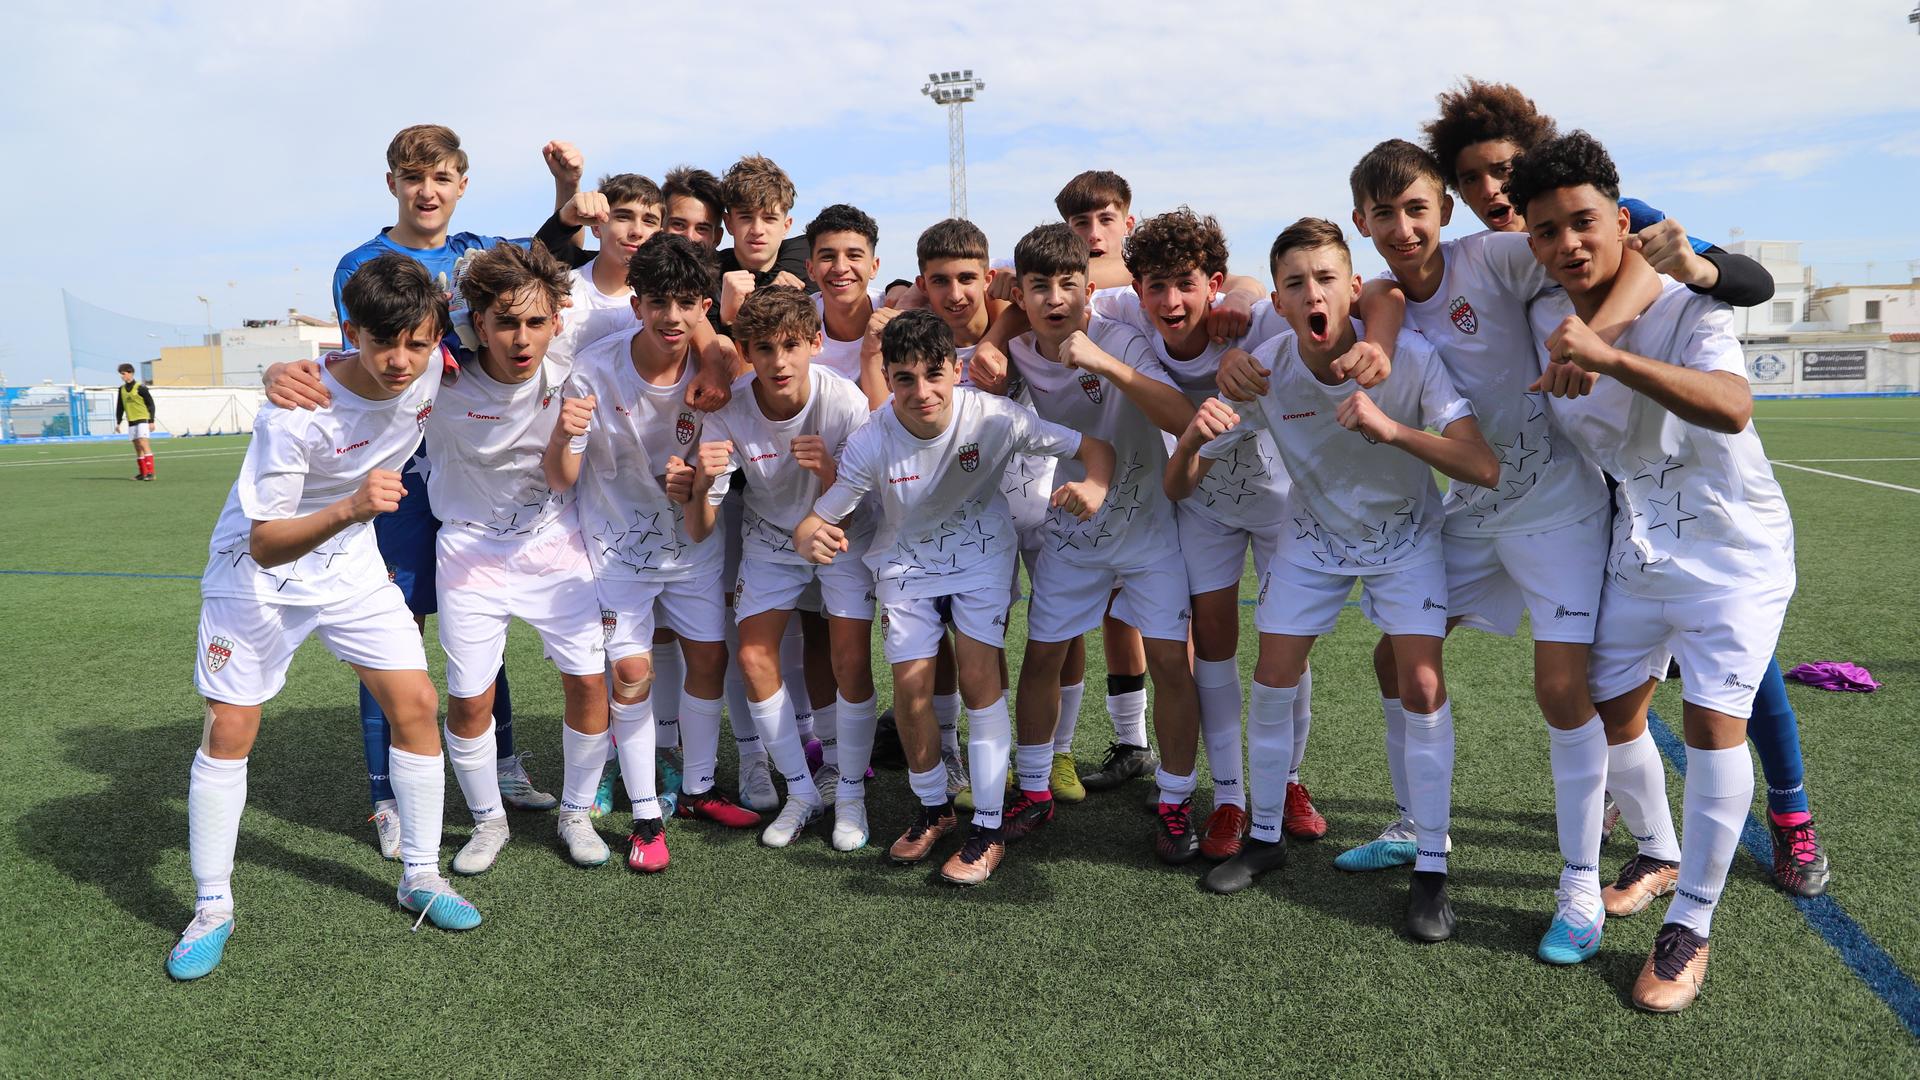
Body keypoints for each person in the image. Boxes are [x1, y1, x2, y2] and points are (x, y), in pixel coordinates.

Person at [1420, 78, 1827, 898]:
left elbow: (1738, 282)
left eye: (1503, 168)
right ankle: (1636, 819)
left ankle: (1791, 816)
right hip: (1597, 491)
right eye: (1470, 178)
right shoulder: (1496, 257)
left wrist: (1606, 332)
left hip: (1690, 476)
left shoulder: (1604, 218)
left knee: (1740, 674)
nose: (1490, 190)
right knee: (1615, 687)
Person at [1513, 131, 1797, 1011]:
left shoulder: (1685, 301)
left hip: (1732, 556)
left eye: (1585, 222)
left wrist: (1612, 358)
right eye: (1548, 230)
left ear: (1619, 216)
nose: (1569, 243)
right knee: (1611, 709)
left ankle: (1692, 928)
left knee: (1715, 726)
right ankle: (1661, 851)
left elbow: (1732, 406)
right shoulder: (1541, 321)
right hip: (1638, 554)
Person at [1168, 219, 1498, 946]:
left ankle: (1433, 866)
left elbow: (1480, 465)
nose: (1311, 293)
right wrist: (1194, 434)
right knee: (1273, 677)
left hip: (1407, 541)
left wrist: (1390, 429)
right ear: (1278, 305)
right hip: (1312, 539)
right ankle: (1263, 837)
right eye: (1294, 283)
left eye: (1325, 279)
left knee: (1421, 685)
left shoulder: (1408, 358)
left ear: (1356, 289)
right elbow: (1180, 481)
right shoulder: (1264, 366)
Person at [166, 254, 480, 981]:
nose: (402, 361)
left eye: (418, 342)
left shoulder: (433, 360)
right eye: (384, 343)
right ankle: (212, 906)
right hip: (258, 577)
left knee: (416, 702)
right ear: (349, 334)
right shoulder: (295, 411)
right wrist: (349, 507)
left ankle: (422, 876)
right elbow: (265, 541)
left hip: (349, 566)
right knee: (230, 728)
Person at [794, 309, 1112, 885]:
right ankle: (933, 808)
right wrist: (813, 537)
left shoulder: (993, 416)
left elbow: (1095, 445)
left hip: (981, 559)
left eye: (935, 374)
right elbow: (817, 519)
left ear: (955, 369)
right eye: (906, 378)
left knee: (977, 676)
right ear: (887, 378)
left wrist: (1095, 482)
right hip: (905, 565)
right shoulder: (871, 441)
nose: (923, 392)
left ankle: (988, 828)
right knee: (912, 690)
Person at [329, 124, 550, 855]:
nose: (427, 189)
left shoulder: (480, 254)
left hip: (471, 464)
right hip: (397, 468)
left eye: (442, 175)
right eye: (413, 176)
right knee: (389, 630)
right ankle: (384, 796)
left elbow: (558, 265)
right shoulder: (362, 264)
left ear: (462, 183)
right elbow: (371, 365)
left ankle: (506, 766)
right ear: (392, 182)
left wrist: (566, 193)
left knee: (476, 626)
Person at [999, 224, 1207, 865]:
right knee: (1042, 658)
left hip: (1150, 534)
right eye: (1040, 287)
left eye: (1068, 285)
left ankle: (1175, 800)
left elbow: (1182, 418)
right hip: (1073, 533)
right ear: (1022, 295)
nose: (1056, 299)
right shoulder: (1015, 350)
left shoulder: (1122, 338)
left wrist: (1103, 364)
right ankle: (1033, 791)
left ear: (1090, 291)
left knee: (1173, 665)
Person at [544, 234, 749, 874]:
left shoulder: (723, 376)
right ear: (636, 304)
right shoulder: (593, 371)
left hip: (694, 547)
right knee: (632, 679)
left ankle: (696, 790)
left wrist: (702, 483)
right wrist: (566, 437)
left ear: (705, 306)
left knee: (708, 662)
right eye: (658, 301)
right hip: (617, 553)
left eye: (687, 302)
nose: (671, 317)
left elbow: (710, 494)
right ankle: (645, 815)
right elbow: (563, 477)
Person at [420, 242, 618, 874]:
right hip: (470, 551)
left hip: (553, 543)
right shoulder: (439, 378)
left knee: (589, 681)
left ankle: (576, 813)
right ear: (478, 324)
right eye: (505, 322)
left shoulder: (570, 368)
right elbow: (363, 366)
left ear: (557, 322)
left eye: (535, 322)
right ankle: (488, 821)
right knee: (470, 696)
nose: (521, 337)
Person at [686, 286, 878, 850]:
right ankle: (801, 792)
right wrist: (701, 480)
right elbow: (699, 526)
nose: (779, 361)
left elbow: (872, 505)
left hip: (842, 531)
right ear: (746, 350)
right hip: (770, 537)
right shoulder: (731, 409)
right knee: (751, 654)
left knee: (848, 658)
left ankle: (849, 794)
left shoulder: (844, 401)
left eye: (792, 345)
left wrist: (828, 475)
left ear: (815, 343)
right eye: (763, 348)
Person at [115, 364, 157, 481]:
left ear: (130, 373)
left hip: (142, 419)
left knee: (144, 443)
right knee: (137, 447)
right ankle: (143, 473)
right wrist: (118, 422)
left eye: (123, 373)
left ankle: (151, 473)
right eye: (121, 374)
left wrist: (151, 421)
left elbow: (151, 404)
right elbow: (120, 407)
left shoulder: (140, 387)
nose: (121, 376)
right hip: (131, 420)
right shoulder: (121, 389)